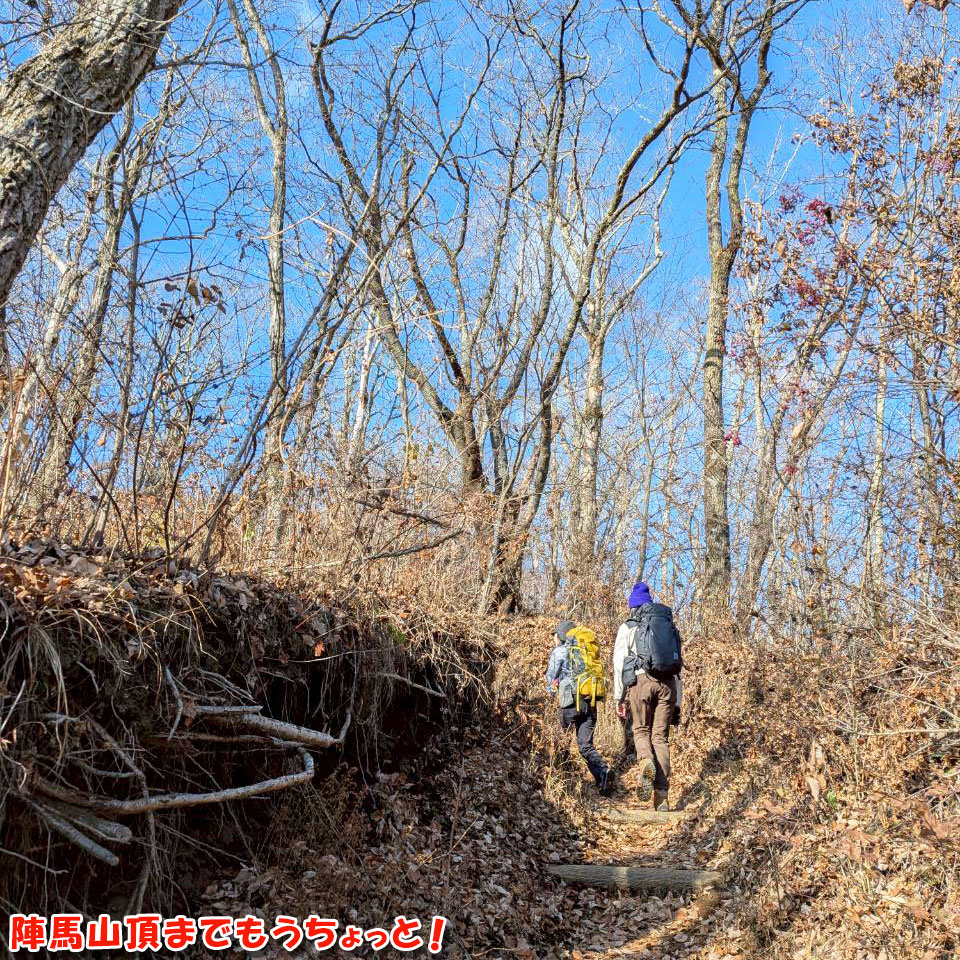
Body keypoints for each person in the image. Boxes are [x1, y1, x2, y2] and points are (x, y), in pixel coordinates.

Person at [612, 582, 683, 811]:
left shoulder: (628, 627)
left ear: (633, 606)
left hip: (641, 682)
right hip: (668, 685)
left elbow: (619, 663)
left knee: (641, 730)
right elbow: (677, 666)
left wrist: (619, 697)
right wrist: (677, 702)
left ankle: (645, 762)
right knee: (660, 738)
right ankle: (661, 797)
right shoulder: (669, 626)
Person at [545, 620, 615, 797]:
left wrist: (550, 690)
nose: (554, 638)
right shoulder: (586, 650)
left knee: (561, 740)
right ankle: (603, 773)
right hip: (589, 701)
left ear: (560, 635)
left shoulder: (560, 651)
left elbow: (551, 678)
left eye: (555, 635)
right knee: (585, 745)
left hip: (570, 703)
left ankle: (560, 779)